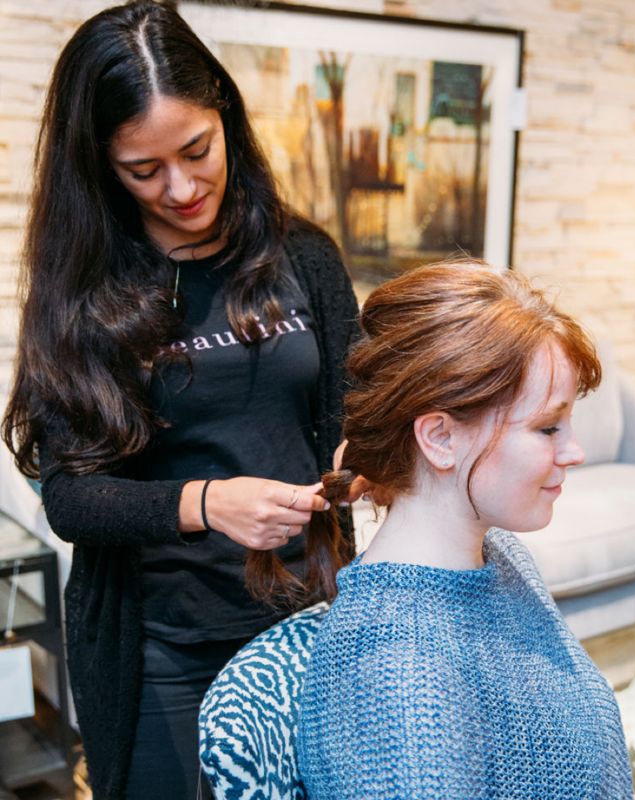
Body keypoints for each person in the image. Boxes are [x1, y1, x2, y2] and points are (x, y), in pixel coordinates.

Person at [1, 1, 359, 797]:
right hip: (162, 647)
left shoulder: (304, 256)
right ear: (101, 165)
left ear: (225, 113)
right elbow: (70, 499)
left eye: (197, 149)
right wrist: (205, 503)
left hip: (310, 620)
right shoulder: (84, 291)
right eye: (143, 169)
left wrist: (362, 456)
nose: (181, 186)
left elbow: (352, 412)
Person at [298, 262, 635, 799]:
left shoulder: (499, 556)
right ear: (440, 438)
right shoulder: (399, 681)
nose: (575, 452)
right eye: (548, 427)